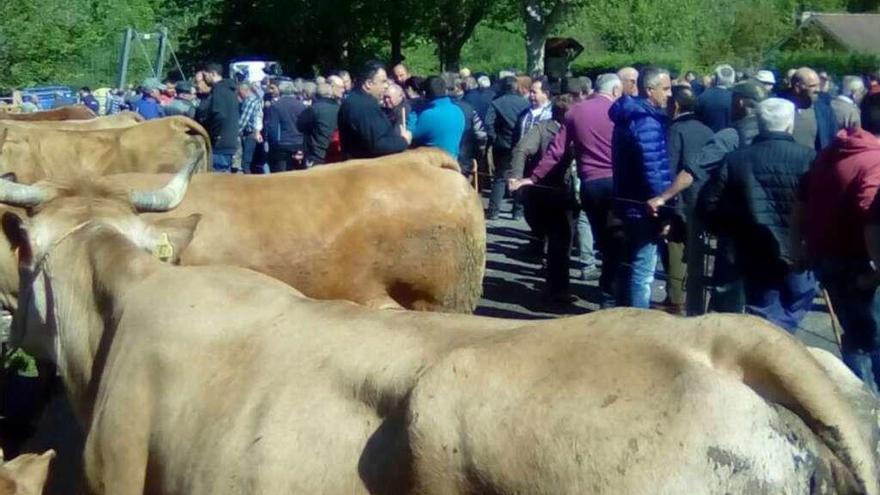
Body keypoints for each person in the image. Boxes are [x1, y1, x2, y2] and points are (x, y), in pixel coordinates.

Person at [700, 98, 816, 333]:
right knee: (794, 302)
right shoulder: (810, 159)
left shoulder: (737, 160)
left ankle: (773, 344)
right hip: (799, 248)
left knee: (764, 308)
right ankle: (779, 342)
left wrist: (732, 230)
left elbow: (709, 204)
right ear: (789, 125)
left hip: (753, 247)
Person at [796, 96, 880, 393]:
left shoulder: (832, 152)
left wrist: (803, 245)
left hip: (828, 255)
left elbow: (803, 200)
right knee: (870, 338)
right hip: (862, 261)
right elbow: (871, 216)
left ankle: (860, 400)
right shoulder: (875, 159)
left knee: (856, 335)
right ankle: (869, 406)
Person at [521, 74, 625, 304]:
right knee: (619, 244)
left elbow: (556, 152)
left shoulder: (575, 112)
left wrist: (534, 177)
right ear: (616, 91)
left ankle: (606, 289)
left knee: (604, 242)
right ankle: (610, 296)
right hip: (618, 184)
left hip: (589, 186)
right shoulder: (620, 112)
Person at [609, 66, 673, 308]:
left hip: (628, 199)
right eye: (665, 89)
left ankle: (622, 313)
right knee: (643, 270)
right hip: (643, 204)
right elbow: (654, 168)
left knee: (629, 262)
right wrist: (664, 206)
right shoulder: (646, 121)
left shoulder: (630, 116)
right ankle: (639, 323)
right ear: (650, 90)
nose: (669, 94)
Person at [508, 95, 578, 303]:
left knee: (561, 240)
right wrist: (516, 176)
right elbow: (521, 149)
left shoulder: (560, 128)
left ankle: (555, 283)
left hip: (566, 191)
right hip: (549, 190)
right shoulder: (543, 128)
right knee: (561, 240)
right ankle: (557, 288)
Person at [651, 84, 714, 314]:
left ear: (675, 105)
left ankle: (675, 297)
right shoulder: (708, 130)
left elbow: (670, 166)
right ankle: (695, 297)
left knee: (675, 245)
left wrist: (665, 203)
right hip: (704, 197)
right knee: (697, 249)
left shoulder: (674, 130)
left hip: (681, 198)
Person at [337, 60, 410, 159]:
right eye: (383, 81)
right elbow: (378, 144)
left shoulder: (356, 100)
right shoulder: (363, 106)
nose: (386, 85)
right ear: (368, 84)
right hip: (367, 169)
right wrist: (403, 140)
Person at [485, 76, 530, 220]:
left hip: (502, 143)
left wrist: (493, 137)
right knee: (518, 175)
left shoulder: (496, 103)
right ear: (516, 87)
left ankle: (494, 211)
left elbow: (488, 122)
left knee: (499, 178)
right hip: (520, 143)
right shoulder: (525, 103)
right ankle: (518, 210)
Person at [195, 63, 241, 173]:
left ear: (213, 73)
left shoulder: (219, 91)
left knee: (217, 181)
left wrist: (213, 136)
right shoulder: (230, 91)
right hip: (228, 142)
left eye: (206, 75)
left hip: (219, 144)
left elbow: (219, 115)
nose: (205, 78)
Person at [783, 67, 839, 151]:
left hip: (815, 162)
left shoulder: (825, 111)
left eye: (818, 85)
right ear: (797, 87)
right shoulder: (780, 107)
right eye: (812, 86)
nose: (818, 89)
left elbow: (833, 140)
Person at [410, 76, 465, 159]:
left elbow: (410, 136)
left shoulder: (428, 115)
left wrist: (413, 110)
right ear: (445, 90)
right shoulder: (458, 110)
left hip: (435, 164)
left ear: (424, 93)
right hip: (454, 161)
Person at [264, 80, 306, 172]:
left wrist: (272, 145)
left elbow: (272, 128)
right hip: (298, 142)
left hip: (283, 144)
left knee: (282, 173)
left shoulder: (276, 105)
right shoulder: (301, 105)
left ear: (280, 91)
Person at [297, 82, 340, 166]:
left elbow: (300, 126)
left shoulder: (313, 109)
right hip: (335, 151)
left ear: (316, 95)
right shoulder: (340, 108)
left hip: (317, 154)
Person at [450, 78, 487, 177]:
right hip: (464, 157)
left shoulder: (433, 109)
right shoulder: (468, 108)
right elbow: (481, 133)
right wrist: (480, 151)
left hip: (442, 158)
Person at [697, 64, 735, 132]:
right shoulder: (737, 97)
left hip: (709, 138)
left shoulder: (702, 97)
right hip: (732, 138)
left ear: (715, 78)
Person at [238, 82, 264, 174]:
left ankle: (248, 183)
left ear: (244, 91)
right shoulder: (257, 99)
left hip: (250, 134)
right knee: (254, 162)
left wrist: (235, 133)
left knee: (246, 162)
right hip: (256, 133)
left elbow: (243, 120)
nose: (239, 95)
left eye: (239, 92)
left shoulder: (249, 101)